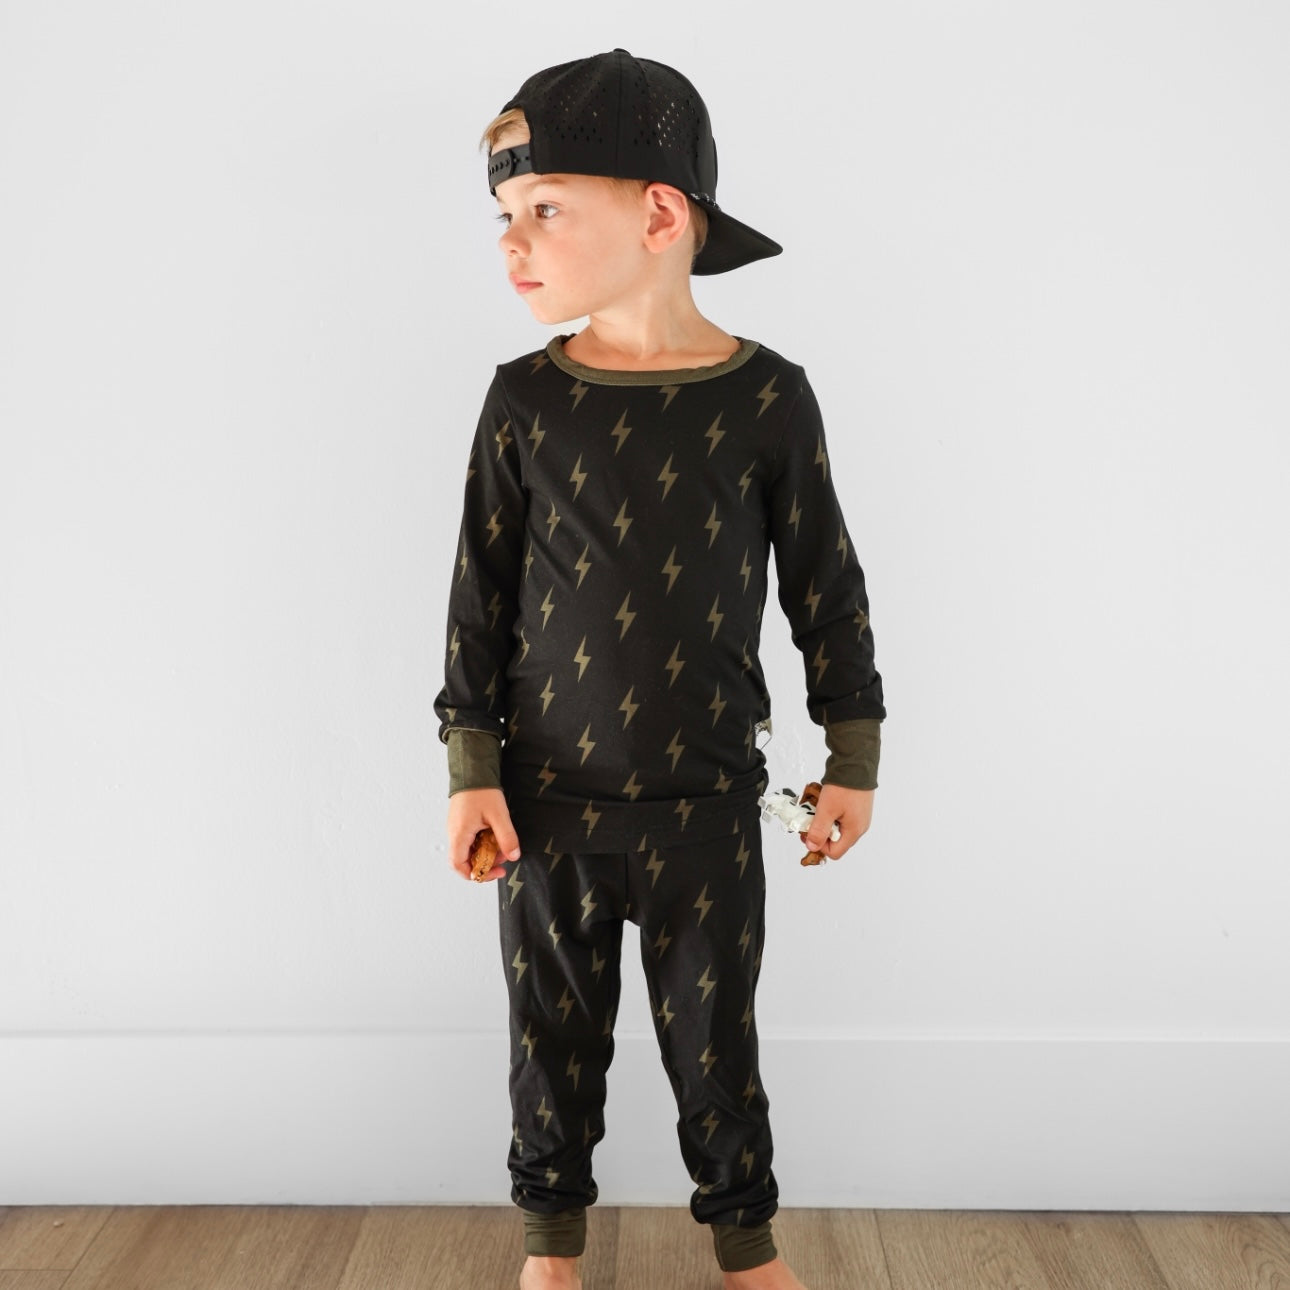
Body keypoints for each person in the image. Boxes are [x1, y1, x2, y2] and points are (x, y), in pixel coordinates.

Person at [433, 47, 886, 1290]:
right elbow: (479, 603)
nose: (512, 241)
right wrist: (472, 771)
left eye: (543, 209)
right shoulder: (525, 402)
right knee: (552, 1043)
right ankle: (550, 1253)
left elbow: (825, 587)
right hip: (548, 807)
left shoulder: (768, 400)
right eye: (503, 215)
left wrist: (852, 754)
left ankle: (747, 1250)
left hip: (707, 808)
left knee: (716, 1048)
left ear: (660, 215)